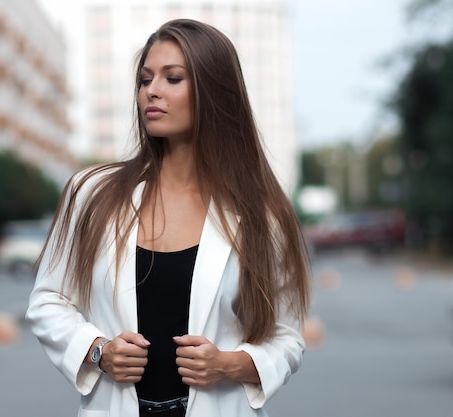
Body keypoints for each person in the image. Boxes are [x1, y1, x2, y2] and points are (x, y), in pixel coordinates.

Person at [26, 18, 311, 417]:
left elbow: (286, 336)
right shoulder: (91, 192)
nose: (151, 92)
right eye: (145, 80)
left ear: (214, 91)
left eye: (172, 78)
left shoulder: (260, 213)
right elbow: (48, 300)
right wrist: (98, 351)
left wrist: (228, 365)